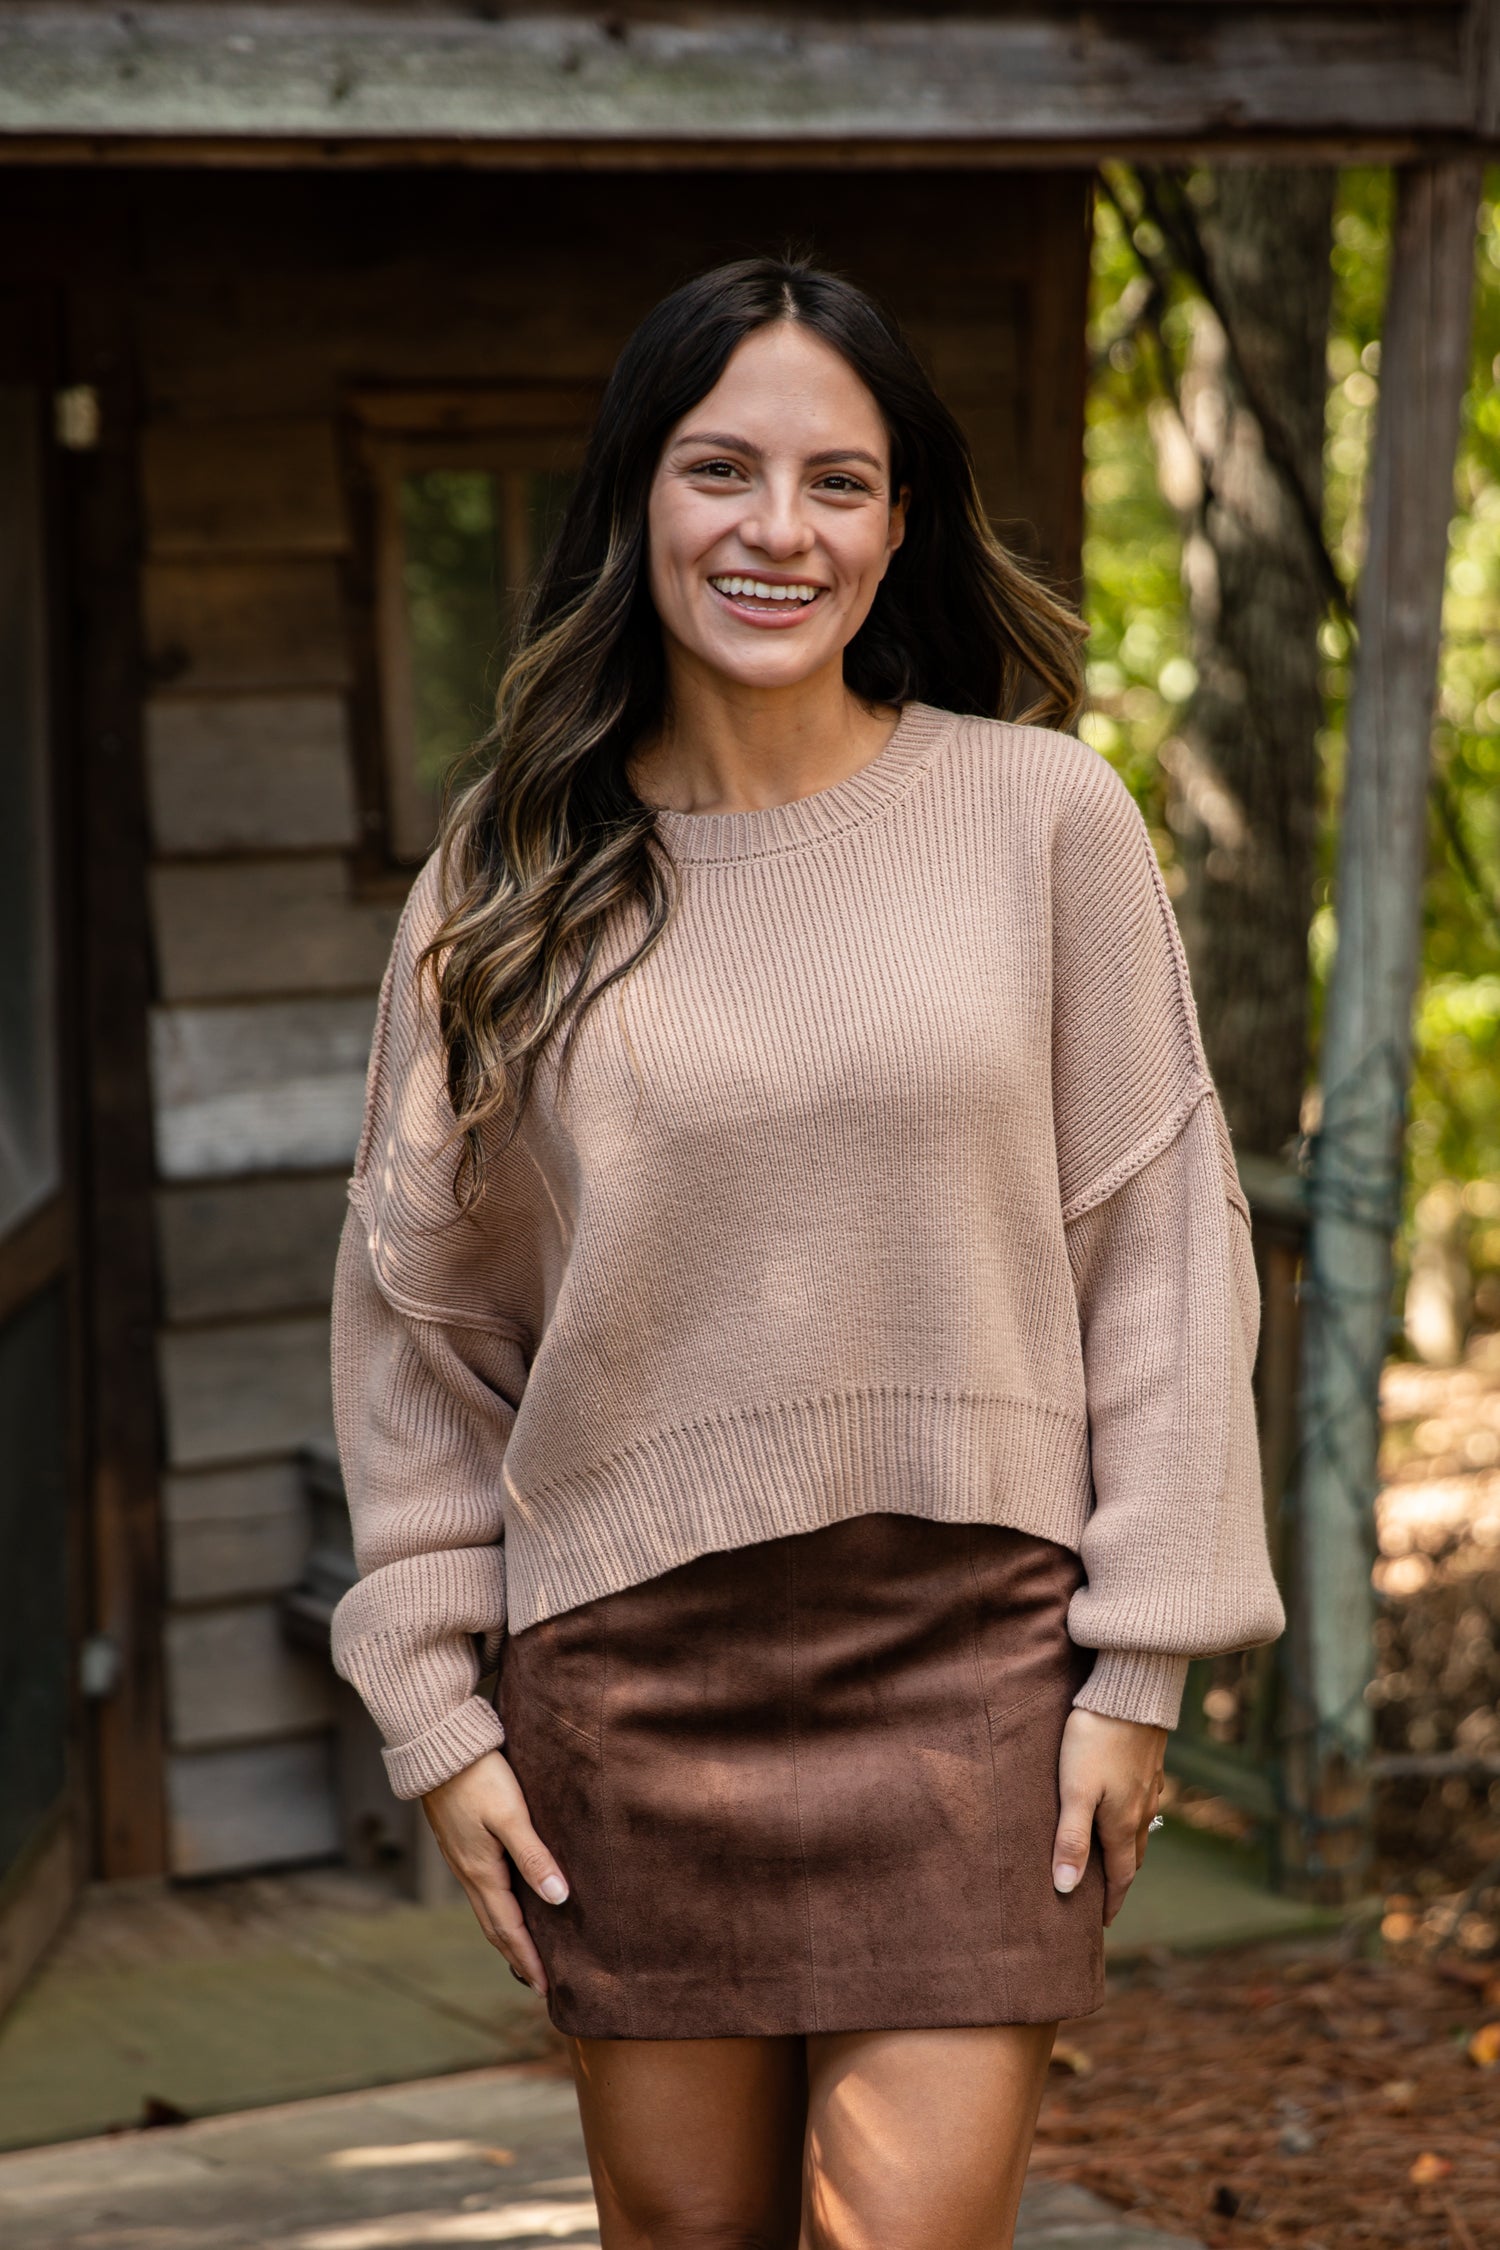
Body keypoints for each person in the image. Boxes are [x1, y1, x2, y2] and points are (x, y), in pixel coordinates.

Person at [329, 255, 1285, 2250]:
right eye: (722, 469)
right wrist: (437, 1719)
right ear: (636, 503)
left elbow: (1165, 1258)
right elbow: (422, 1318)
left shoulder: (1041, 819)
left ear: (899, 520)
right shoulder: (507, 874)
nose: (780, 528)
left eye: (838, 481)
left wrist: (1136, 1671)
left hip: (975, 1672)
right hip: (631, 1675)